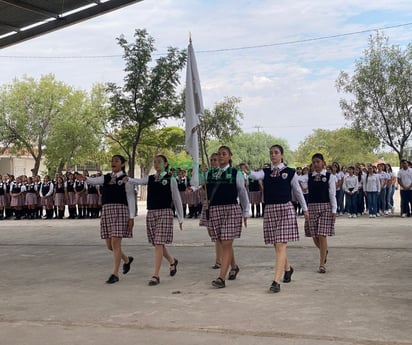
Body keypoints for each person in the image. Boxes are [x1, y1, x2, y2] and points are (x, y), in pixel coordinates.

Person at [247, 144, 308, 293]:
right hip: (270, 209)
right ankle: (288, 268)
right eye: (271, 153)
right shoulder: (266, 172)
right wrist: (246, 169)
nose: (273, 155)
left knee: (280, 245)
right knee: (276, 244)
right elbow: (254, 176)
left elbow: (298, 192)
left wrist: (305, 209)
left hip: (285, 209)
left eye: (276, 153)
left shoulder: (290, 172)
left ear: (282, 155)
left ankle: (276, 281)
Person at [124, 154, 183, 286]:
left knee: (158, 243)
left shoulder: (170, 179)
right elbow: (138, 181)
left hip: (165, 213)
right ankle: (172, 261)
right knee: (158, 243)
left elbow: (177, 198)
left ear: (166, 164)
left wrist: (180, 217)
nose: (157, 164)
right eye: (155, 162)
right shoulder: (150, 178)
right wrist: (128, 179)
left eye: (160, 162)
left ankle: (155, 275)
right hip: (152, 213)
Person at [77, 155, 135, 284]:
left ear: (122, 164)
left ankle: (115, 273)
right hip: (107, 211)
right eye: (112, 161)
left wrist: (131, 217)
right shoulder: (107, 177)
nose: (113, 163)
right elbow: (94, 181)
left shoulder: (126, 180)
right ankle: (126, 259)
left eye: (116, 161)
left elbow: (131, 198)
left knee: (115, 243)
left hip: (120, 211)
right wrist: (85, 178)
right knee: (110, 246)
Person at [203, 146, 249, 289]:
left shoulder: (236, 173)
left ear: (230, 156)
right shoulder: (210, 174)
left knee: (227, 243)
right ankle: (233, 266)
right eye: (220, 154)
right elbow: (201, 190)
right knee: (223, 242)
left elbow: (242, 193)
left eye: (224, 154)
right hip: (215, 210)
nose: (221, 157)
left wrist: (246, 211)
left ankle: (221, 277)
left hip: (231, 210)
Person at [305, 153, 337, 274]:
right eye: (314, 162)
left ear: (323, 163)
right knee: (314, 235)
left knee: (322, 234)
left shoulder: (329, 177)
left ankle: (322, 263)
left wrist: (334, 210)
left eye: (318, 162)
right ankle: (324, 251)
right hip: (312, 207)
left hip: (325, 207)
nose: (316, 164)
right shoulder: (308, 177)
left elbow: (332, 194)